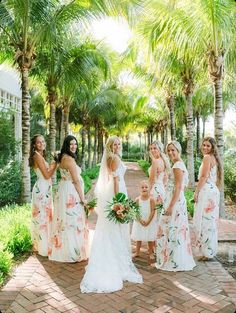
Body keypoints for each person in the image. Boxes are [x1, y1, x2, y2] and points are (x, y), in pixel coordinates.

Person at [80, 136, 143, 293]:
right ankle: (116, 259)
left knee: (110, 226)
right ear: (110, 146)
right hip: (116, 190)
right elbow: (115, 180)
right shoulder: (113, 158)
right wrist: (118, 200)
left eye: (119, 144)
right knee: (116, 225)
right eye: (114, 144)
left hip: (115, 188)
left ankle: (112, 256)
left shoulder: (110, 157)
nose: (117, 146)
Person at [153, 141, 196, 271]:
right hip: (178, 200)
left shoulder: (177, 165)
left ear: (178, 150)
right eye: (169, 150)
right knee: (176, 229)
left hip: (174, 201)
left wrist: (171, 206)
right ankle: (175, 259)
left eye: (173, 150)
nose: (170, 152)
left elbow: (178, 187)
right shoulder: (180, 164)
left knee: (169, 229)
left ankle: (171, 261)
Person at [49, 135, 89, 262]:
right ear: (66, 145)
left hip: (63, 190)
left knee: (64, 220)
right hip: (71, 192)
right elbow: (76, 181)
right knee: (72, 220)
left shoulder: (62, 157)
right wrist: (83, 199)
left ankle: (65, 251)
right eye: (71, 144)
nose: (74, 146)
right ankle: (72, 253)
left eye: (75, 144)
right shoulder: (70, 160)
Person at [193, 137, 222, 261]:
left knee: (204, 221)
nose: (205, 147)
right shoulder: (215, 159)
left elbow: (204, 176)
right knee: (210, 222)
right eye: (203, 145)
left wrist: (196, 191)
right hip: (213, 191)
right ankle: (209, 251)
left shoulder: (206, 158)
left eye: (208, 146)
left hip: (207, 191)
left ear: (212, 147)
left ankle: (206, 252)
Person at [29, 134, 57, 256]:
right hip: (42, 190)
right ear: (34, 145)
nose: (42, 144)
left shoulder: (40, 155)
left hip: (45, 188)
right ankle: (43, 248)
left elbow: (46, 172)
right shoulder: (36, 155)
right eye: (39, 142)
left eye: (43, 141)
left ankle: (45, 245)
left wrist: (52, 164)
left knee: (46, 216)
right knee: (43, 217)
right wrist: (56, 163)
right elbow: (47, 175)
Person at [131, 180, 156, 262]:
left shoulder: (151, 199)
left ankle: (151, 252)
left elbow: (153, 211)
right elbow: (135, 211)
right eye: (142, 187)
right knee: (139, 236)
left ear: (149, 188)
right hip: (140, 220)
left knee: (150, 237)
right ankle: (137, 252)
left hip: (149, 220)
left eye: (146, 187)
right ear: (139, 189)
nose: (144, 188)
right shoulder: (137, 199)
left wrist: (148, 220)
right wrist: (140, 220)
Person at [149, 140, 170, 204]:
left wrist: (148, 192)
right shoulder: (164, 160)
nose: (152, 150)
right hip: (161, 189)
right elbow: (165, 178)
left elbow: (151, 180)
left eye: (155, 148)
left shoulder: (155, 161)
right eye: (151, 149)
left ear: (159, 149)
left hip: (154, 189)